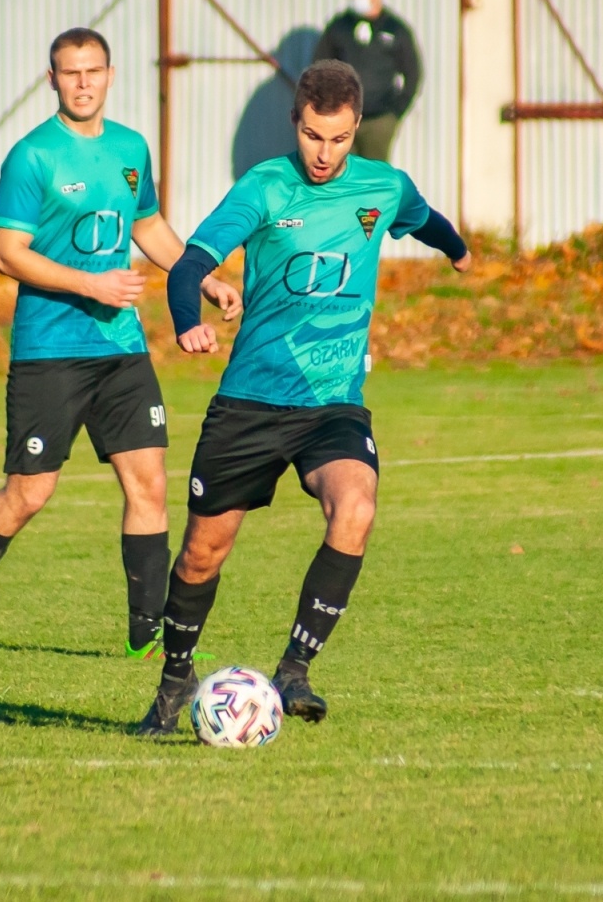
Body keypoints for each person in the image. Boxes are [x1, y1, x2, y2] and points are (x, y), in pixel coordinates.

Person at [136, 59, 470, 736]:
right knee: (204, 552)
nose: (325, 153)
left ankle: (294, 669)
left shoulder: (383, 187)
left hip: (332, 405)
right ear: (297, 122)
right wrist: (186, 321)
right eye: (315, 136)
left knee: (357, 507)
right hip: (251, 401)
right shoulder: (264, 187)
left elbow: (425, 218)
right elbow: (194, 262)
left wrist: (457, 250)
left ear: (355, 129)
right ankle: (174, 682)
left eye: (340, 138)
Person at [0, 27, 243, 664]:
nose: (83, 82)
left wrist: (202, 278)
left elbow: (148, 226)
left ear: (110, 74)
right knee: (29, 494)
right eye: (70, 73)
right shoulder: (31, 156)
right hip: (49, 350)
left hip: (119, 348)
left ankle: (146, 636)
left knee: (149, 484)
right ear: (52, 81)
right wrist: (90, 283)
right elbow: (7, 255)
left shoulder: (130, 148)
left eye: (93, 70)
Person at [311, 0, 422, 162]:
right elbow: (319, 68)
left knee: (374, 179)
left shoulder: (395, 29)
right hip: (342, 120)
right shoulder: (339, 27)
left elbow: (413, 73)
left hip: (379, 120)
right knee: (341, 177)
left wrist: (395, 112)